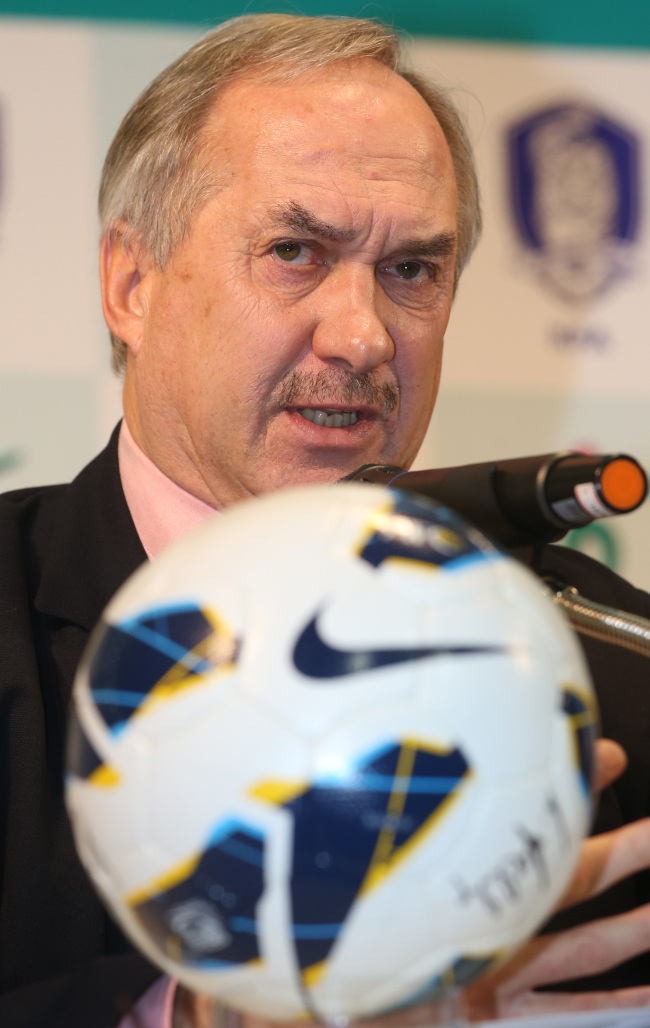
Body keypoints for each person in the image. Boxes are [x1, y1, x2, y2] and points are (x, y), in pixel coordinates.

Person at [1, 13, 649, 1028]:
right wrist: (207, 1017)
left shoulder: (603, 659)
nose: (361, 336)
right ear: (130, 282)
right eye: (294, 250)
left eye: (411, 271)